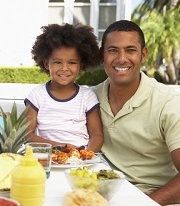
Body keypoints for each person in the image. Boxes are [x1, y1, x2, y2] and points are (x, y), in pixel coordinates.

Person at [94, 20, 180, 205]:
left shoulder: (168, 103)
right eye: (113, 50)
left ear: (143, 54)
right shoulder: (89, 99)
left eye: (130, 50)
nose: (121, 58)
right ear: (103, 55)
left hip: (157, 199)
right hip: (103, 196)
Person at [24, 23, 103, 152]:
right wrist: (60, 147)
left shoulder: (87, 96)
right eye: (57, 62)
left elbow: (97, 135)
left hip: (82, 158)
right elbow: (27, 135)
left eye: (72, 62)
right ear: (46, 64)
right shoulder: (37, 95)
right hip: (49, 155)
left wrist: (87, 154)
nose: (64, 68)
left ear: (81, 66)